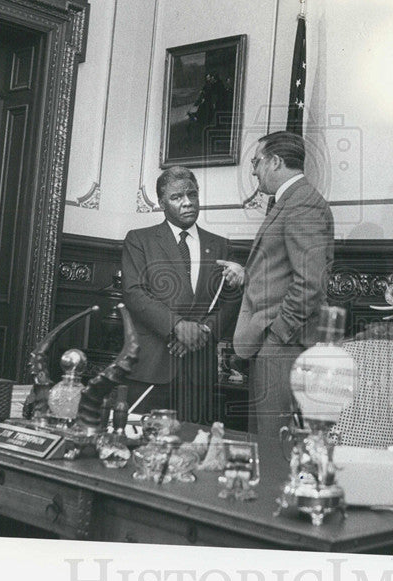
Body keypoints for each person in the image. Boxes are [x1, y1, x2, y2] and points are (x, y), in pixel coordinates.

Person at [223, 131, 335, 439]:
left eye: (257, 162)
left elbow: (310, 283)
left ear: (275, 162)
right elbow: (285, 270)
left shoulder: (302, 204)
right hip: (273, 343)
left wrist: (276, 336)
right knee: (264, 439)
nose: (254, 170)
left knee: (274, 442)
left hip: (284, 345)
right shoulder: (290, 201)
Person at [121, 167, 240, 424]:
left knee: (190, 448)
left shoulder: (220, 245)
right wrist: (177, 327)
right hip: (152, 368)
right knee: (140, 445)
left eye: (192, 194)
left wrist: (203, 331)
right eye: (177, 197)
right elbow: (134, 293)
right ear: (162, 202)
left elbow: (231, 300)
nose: (187, 202)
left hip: (198, 373)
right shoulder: (139, 240)